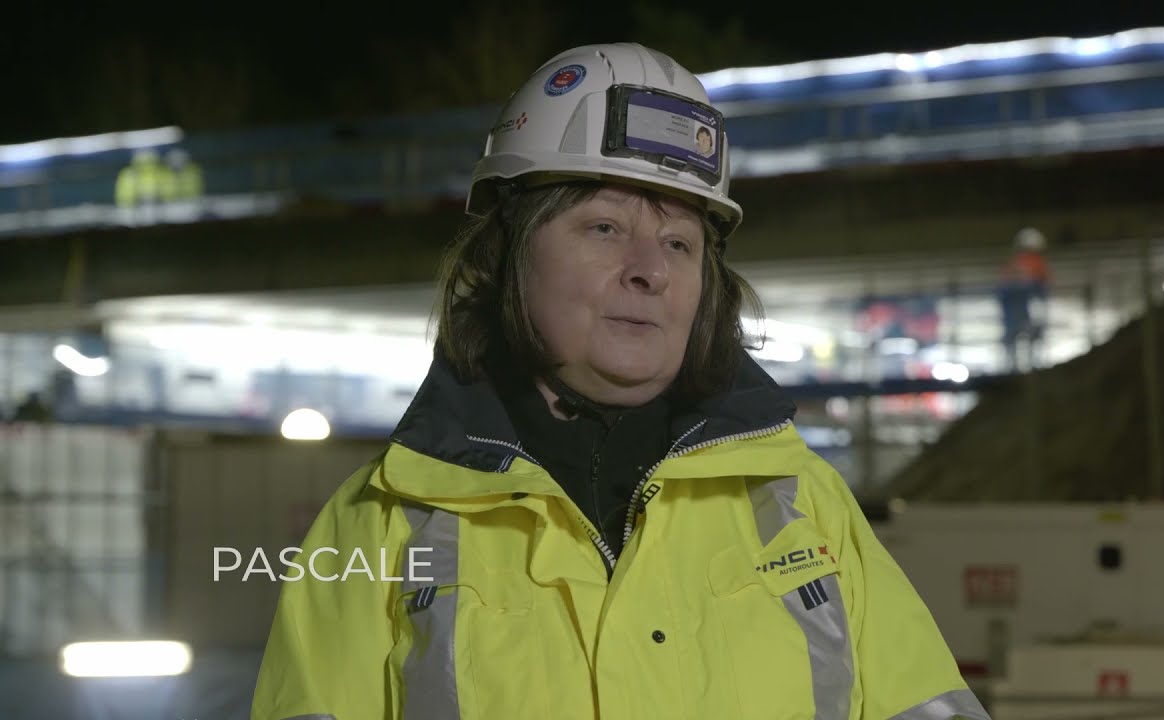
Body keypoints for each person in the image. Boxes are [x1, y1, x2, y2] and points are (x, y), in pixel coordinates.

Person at [251, 43, 989, 720]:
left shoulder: (804, 504)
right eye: (604, 227)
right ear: (508, 251)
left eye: (679, 242)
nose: (651, 270)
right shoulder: (380, 523)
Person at [997, 226, 1051, 372]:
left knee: (1015, 341)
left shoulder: (1013, 264)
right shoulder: (1036, 264)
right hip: (1023, 308)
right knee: (1032, 339)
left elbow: (1003, 290)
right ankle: (1031, 368)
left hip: (1015, 310)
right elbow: (1042, 289)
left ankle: (1014, 370)